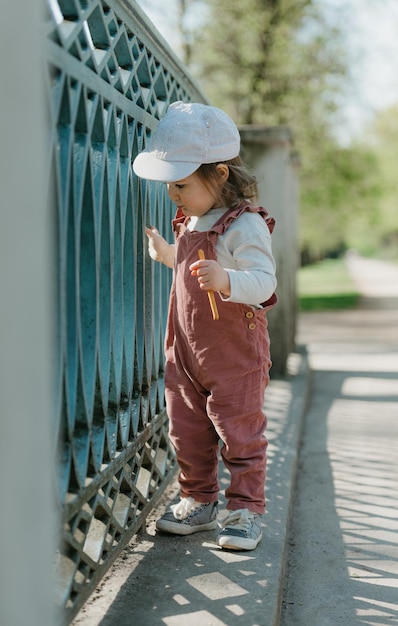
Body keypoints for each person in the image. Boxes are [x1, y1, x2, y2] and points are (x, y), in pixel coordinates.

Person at [133, 101, 277, 551]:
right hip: (186, 350)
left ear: (219, 174)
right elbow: (192, 266)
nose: (173, 195)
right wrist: (168, 255)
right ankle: (199, 500)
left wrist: (227, 279)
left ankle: (246, 510)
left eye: (181, 184)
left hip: (235, 352)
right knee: (187, 429)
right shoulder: (191, 219)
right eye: (170, 186)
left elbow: (264, 281)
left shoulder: (245, 225)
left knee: (240, 431)